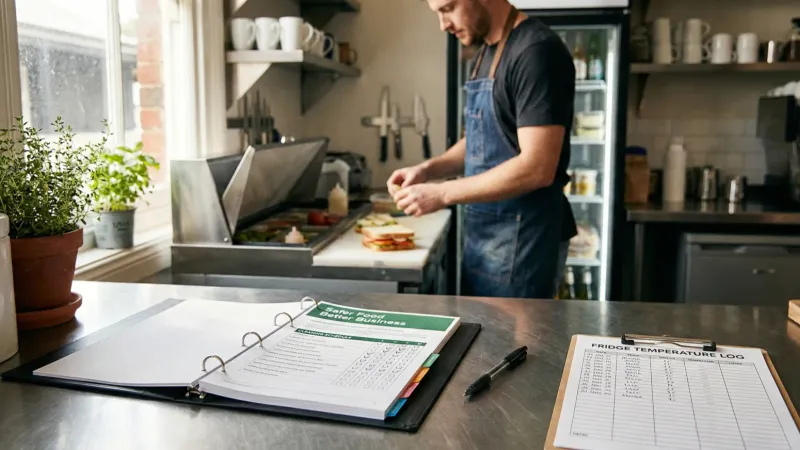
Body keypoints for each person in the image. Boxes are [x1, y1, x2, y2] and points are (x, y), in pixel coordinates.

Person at [388, 0, 577, 299]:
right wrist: (428, 170)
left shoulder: (536, 51)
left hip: (525, 242)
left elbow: (537, 167)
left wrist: (442, 193)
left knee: (516, 333)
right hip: (485, 237)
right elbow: (482, 138)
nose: (443, 24)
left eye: (448, 8)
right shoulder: (487, 52)